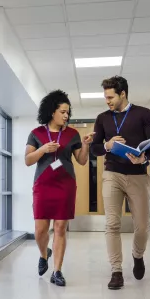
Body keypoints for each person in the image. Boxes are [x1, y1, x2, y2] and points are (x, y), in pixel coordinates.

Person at [90, 76, 150, 290]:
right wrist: (108, 145)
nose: (107, 101)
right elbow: (95, 148)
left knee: (142, 226)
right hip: (112, 174)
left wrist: (144, 158)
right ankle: (116, 271)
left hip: (138, 175)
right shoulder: (102, 118)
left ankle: (138, 255)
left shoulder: (144, 114)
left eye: (110, 97)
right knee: (112, 223)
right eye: (105, 97)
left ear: (123, 94)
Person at [25, 90, 94, 286]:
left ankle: (57, 271)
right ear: (51, 111)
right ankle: (43, 254)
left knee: (60, 228)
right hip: (43, 186)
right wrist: (42, 149)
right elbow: (28, 160)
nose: (66, 115)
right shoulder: (36, 134)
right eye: (62, 111)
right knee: (40, 230)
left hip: (65, 185)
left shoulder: (72, 134)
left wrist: (86, 145)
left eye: (67, 112)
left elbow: (81, 161)